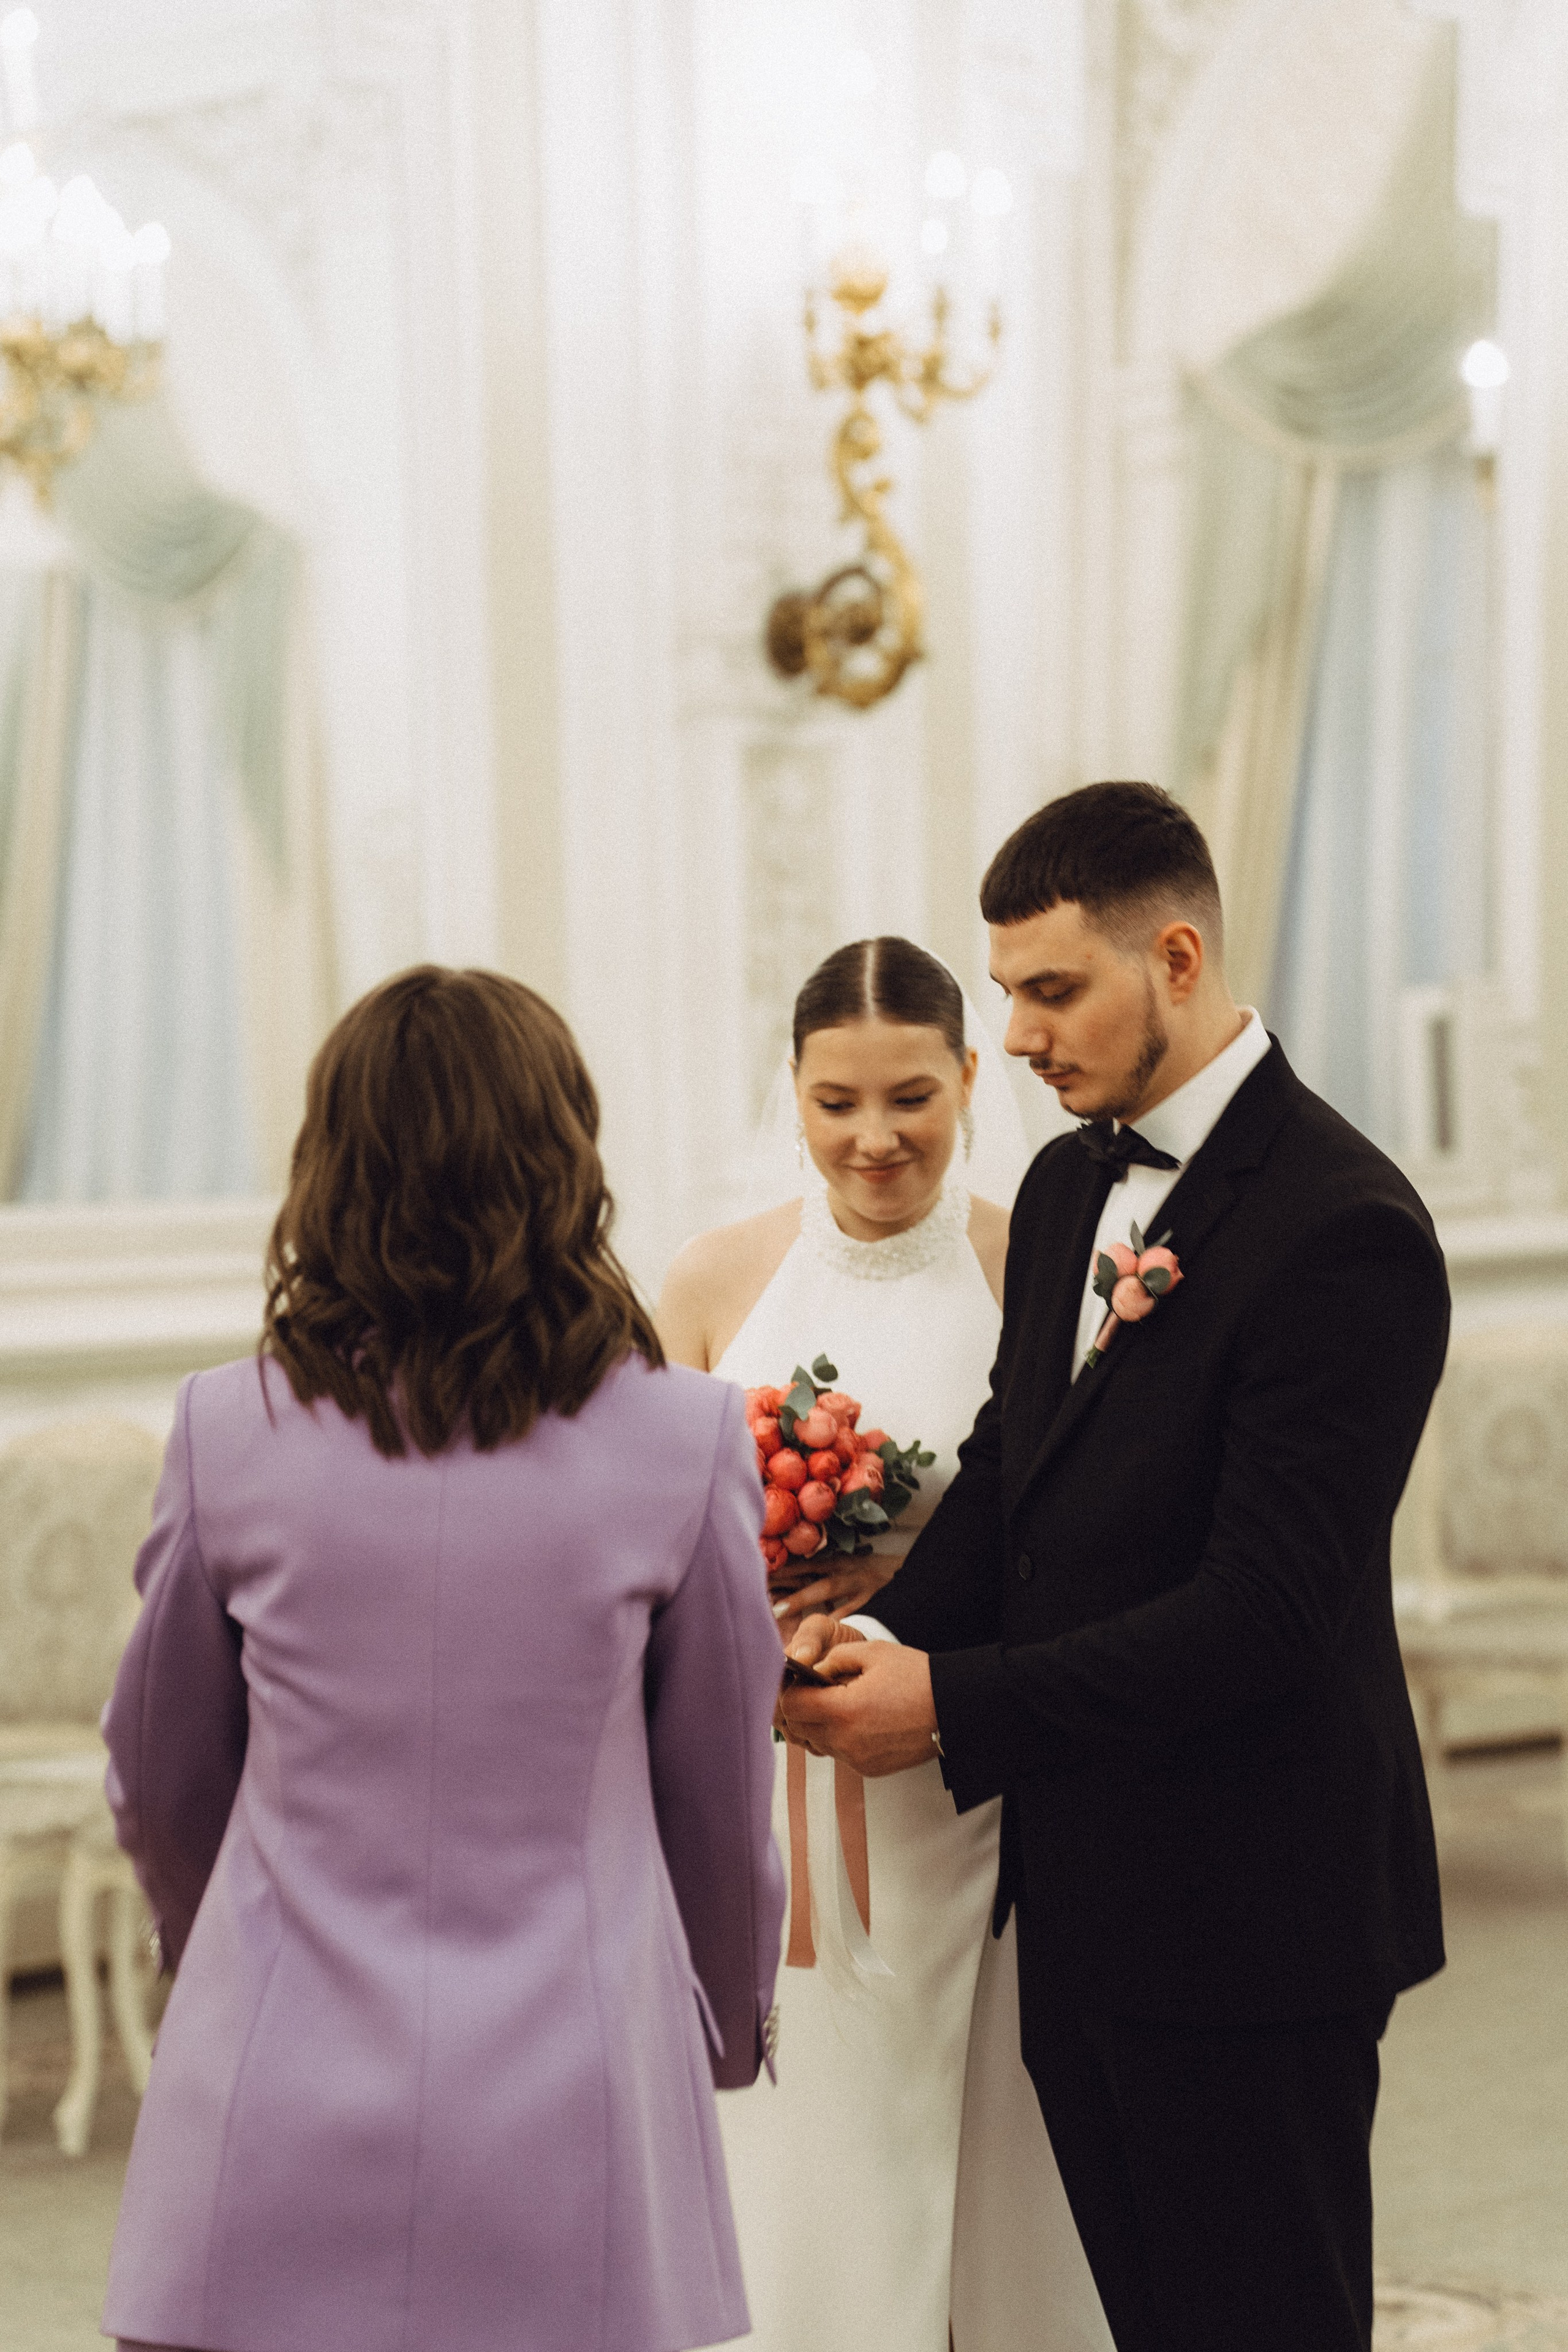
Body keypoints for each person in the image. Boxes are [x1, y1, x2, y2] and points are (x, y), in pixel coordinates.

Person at [783, 783, 1449, 2352]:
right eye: (1004, 988)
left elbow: (1264, 1617)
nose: (1012, 1033)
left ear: (1173, 955)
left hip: (1253, 1911)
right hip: (1076, 1899)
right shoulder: (1077, 1183)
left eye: (1049, 989)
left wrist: (946, 1704)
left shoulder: (1343, 1227)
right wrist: (858, 1631)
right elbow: (1020, 1473)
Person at [100, 965, 785, 2352]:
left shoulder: (228, 1432)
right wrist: (716, 2031)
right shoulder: (682, 1439)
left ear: (332, 1165)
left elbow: (159, 1768)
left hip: (273, 2082)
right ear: (561, 1163)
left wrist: (222, 1953)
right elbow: (718, 1795)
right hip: (576, 2102)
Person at [659, 936, 1111, 2352]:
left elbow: (1094, 1537)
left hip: (980, 1778)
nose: (873, 1139)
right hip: (782, 1789)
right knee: (814, 2137)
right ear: (789, 1093)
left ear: (970, 1079)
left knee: (995, 2149)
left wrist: (921, 1588)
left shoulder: (1035, 1272)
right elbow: (639, 1548)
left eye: (910, 1097)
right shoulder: (710, 1286)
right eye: (835, 1101)